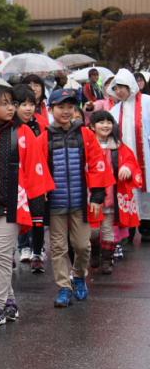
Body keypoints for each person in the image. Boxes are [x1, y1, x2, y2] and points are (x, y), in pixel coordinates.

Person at [0, 85, 53, 327]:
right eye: (5, 103)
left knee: (1, 254)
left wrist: (37, 208)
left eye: (12, 103)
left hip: (13, 205)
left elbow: (35, 170)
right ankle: (10, 302)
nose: (12, 108)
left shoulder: (23, 133)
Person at [44, 88, 114, 308]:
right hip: (55, 204)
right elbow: (37, 169)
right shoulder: (44, 136)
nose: (66, 111)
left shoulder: (84, 134)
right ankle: (64, 287)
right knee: (58, 248)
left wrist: (98, 195)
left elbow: (97, 165)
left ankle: (79, 276)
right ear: (51, 108)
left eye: (70, 107)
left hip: (81, 203)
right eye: (61, 107)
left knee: (83, 246)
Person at [88, 110, 142, 275]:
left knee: (107, 229)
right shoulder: (87, 144)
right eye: (101, 122)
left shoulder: (118, 145)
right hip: (91, 195)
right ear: (92, 126)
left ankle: (107, 260)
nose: (105, 125)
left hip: (111, 195)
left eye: (108, 122)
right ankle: (95, 252)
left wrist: (127, 168)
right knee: (93, 230)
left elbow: (131, 161)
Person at [109, 69, 150, 243]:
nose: (119, 91)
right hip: (124, 158)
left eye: (122, 87)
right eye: (116, 88)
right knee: (127, 191)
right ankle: (128, 229)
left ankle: (147, 227)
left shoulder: (147, 102)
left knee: (145, 191)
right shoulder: (114, 109)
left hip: (145, 157)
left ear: (130, 86)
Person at [13, 84, 48, 274]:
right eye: (23, 104)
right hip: (14, 180)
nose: (28, 108)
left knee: (37, 218)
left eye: (31, 104)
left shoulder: (40, 125)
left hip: (35, 176)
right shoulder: (7, 128)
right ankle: (17, 249)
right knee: (12, 220)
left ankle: (37, 253)